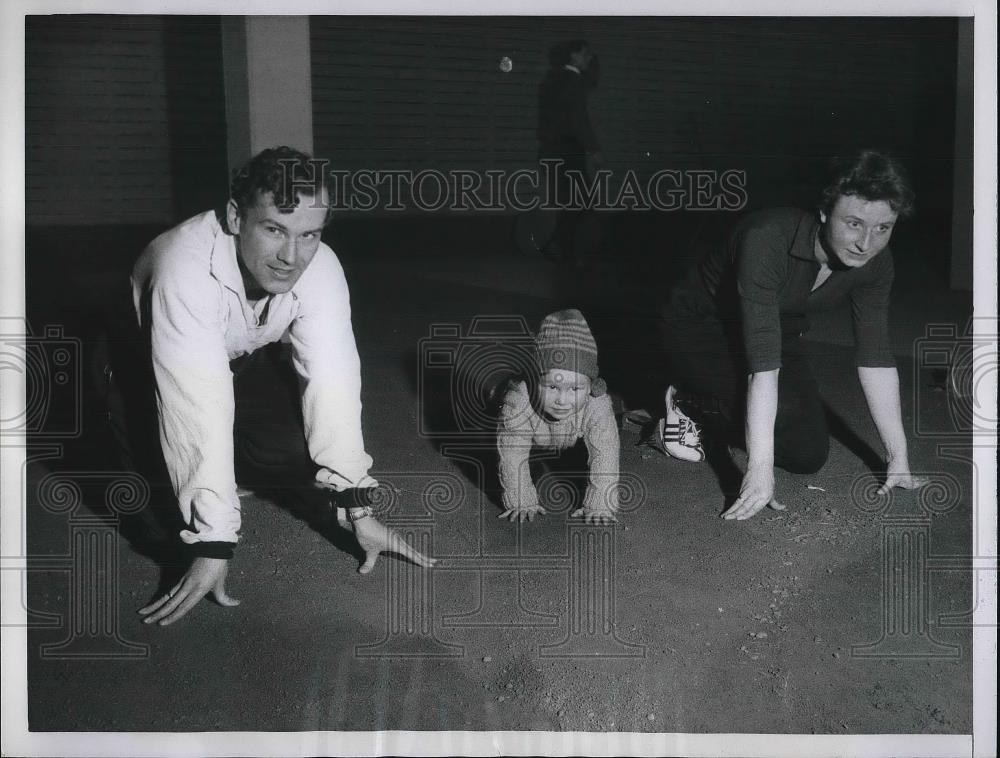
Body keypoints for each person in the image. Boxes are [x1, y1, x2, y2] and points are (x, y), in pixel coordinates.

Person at [129, 146, 435, 626]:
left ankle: (231, 466)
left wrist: (358, 508)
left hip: (237, 357)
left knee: (296, 448)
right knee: (161, 522)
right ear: (235, 217)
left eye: (308, 234)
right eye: (274, 229)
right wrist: (214, 539)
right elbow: (194, 400)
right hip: (140, 369)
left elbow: (333, 378)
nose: (291, 257)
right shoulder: (182, 267)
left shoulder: (321, 266)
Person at [655, 150, 928, 520]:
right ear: (823, 212)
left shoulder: (876, 263)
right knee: (767, 417)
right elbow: (762, 369)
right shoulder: (766, 238)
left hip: (777, 327)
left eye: (883, 227)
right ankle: (686, 400)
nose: (867, 242)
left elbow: (875, 358)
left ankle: (717, 407)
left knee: (806, 454)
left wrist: (898, 458)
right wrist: (758, 470)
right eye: (853, 223)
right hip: (700, 327)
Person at [496, 309, 620, 526]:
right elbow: (512, 453)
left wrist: (600, 504)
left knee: (603, 441)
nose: (562, 400)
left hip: (571, 435)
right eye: (553, 386)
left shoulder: (597, 404)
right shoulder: (519, 400)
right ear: (536, 380)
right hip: (525, 426)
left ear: (591, 385)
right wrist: (521, 501)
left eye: (575, 388)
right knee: (495, 424)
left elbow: (605, 453)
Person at [533, 39, 604, 264]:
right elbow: (578, 120)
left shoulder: (554, 79)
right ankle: (560, 248)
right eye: (586, 54)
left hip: (552, 152)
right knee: (581, 202)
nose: (589, 58)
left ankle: (561, 248)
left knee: (573, 202)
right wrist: (594, 149)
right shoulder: (574, 81)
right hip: (567, 153)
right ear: (574, 55)